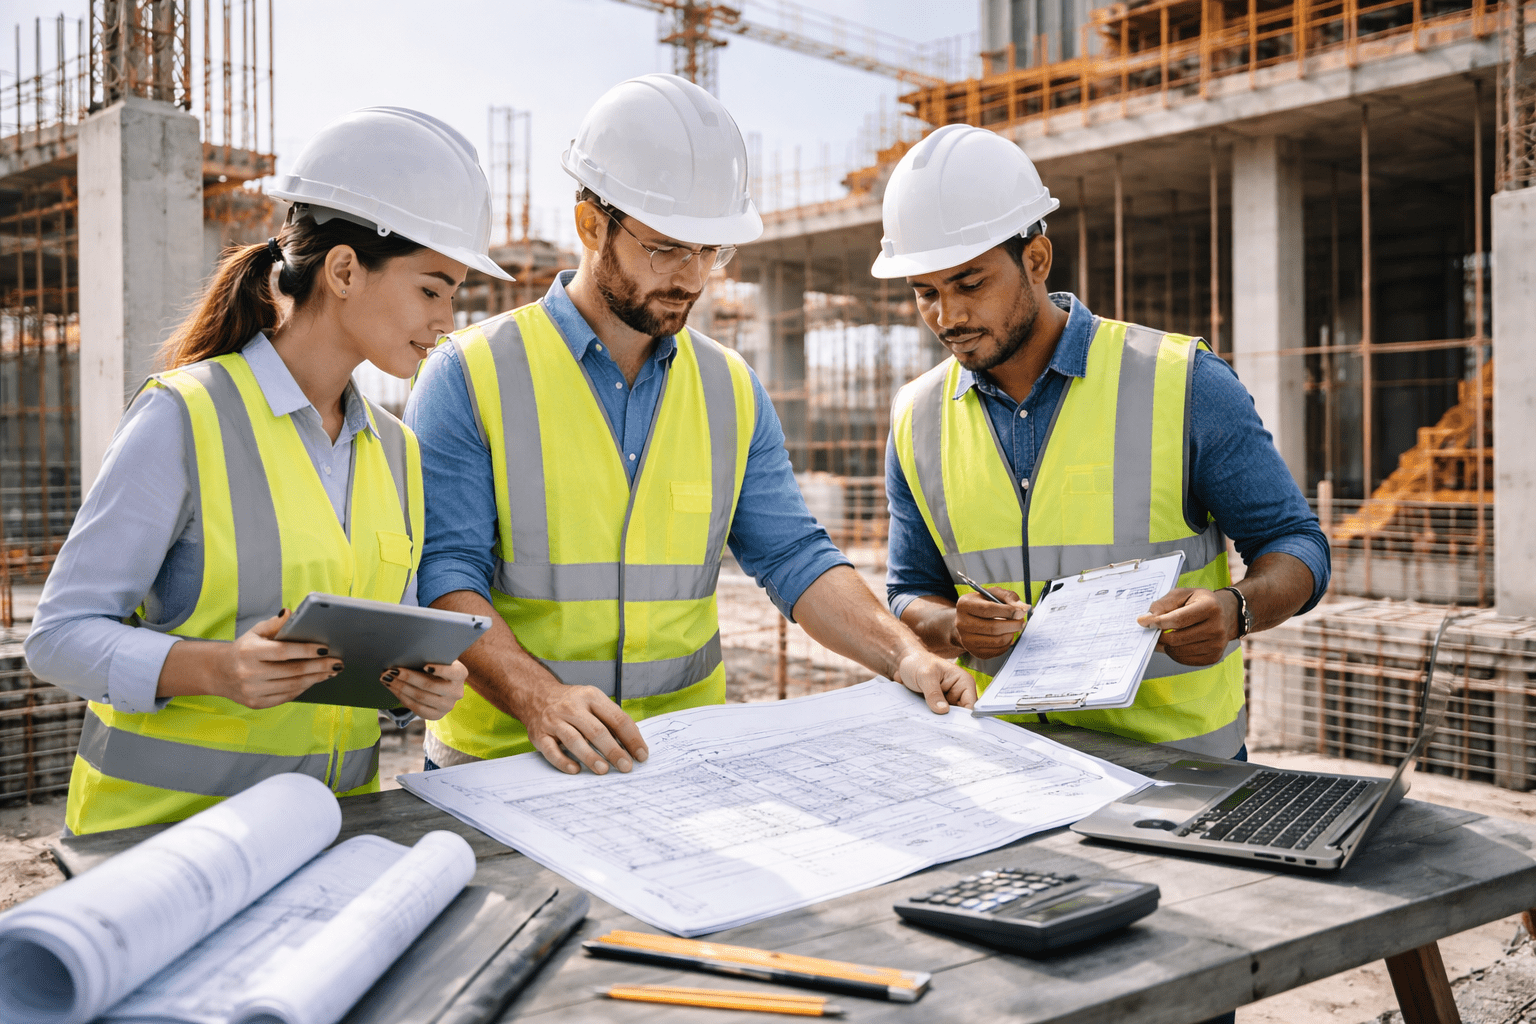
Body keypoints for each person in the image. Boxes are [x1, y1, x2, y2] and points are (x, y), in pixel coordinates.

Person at [407, 74, 976, 777]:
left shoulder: (729, 388)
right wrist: (540, 699)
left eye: (711, 252)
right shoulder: (470, 373)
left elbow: (795, 559)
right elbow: (443, 574)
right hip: (506, 766)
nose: (693, 277)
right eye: (667, 247)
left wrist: (906, 655)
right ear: (592, 225)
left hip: (672, 768)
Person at [26, 107, 507, 834]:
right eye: (432, 289)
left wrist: (415, 686)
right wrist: (216, 669)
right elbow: (57, 638)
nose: (448, 320)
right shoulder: (184, 417)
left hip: (323, 840)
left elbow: (366, 656)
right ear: (345, 269)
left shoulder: (397, 449)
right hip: (156, 845)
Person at [878, 124, 1330, 762]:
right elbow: (909, 592)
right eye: (926, 293)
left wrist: (1237, 610)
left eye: (969, 283)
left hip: (1177, 774)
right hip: (1005, 768)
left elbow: (1297, 545)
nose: (947, 318)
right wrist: (953, 626)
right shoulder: (915, 416)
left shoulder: (1182, 381)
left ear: (1035, 260)